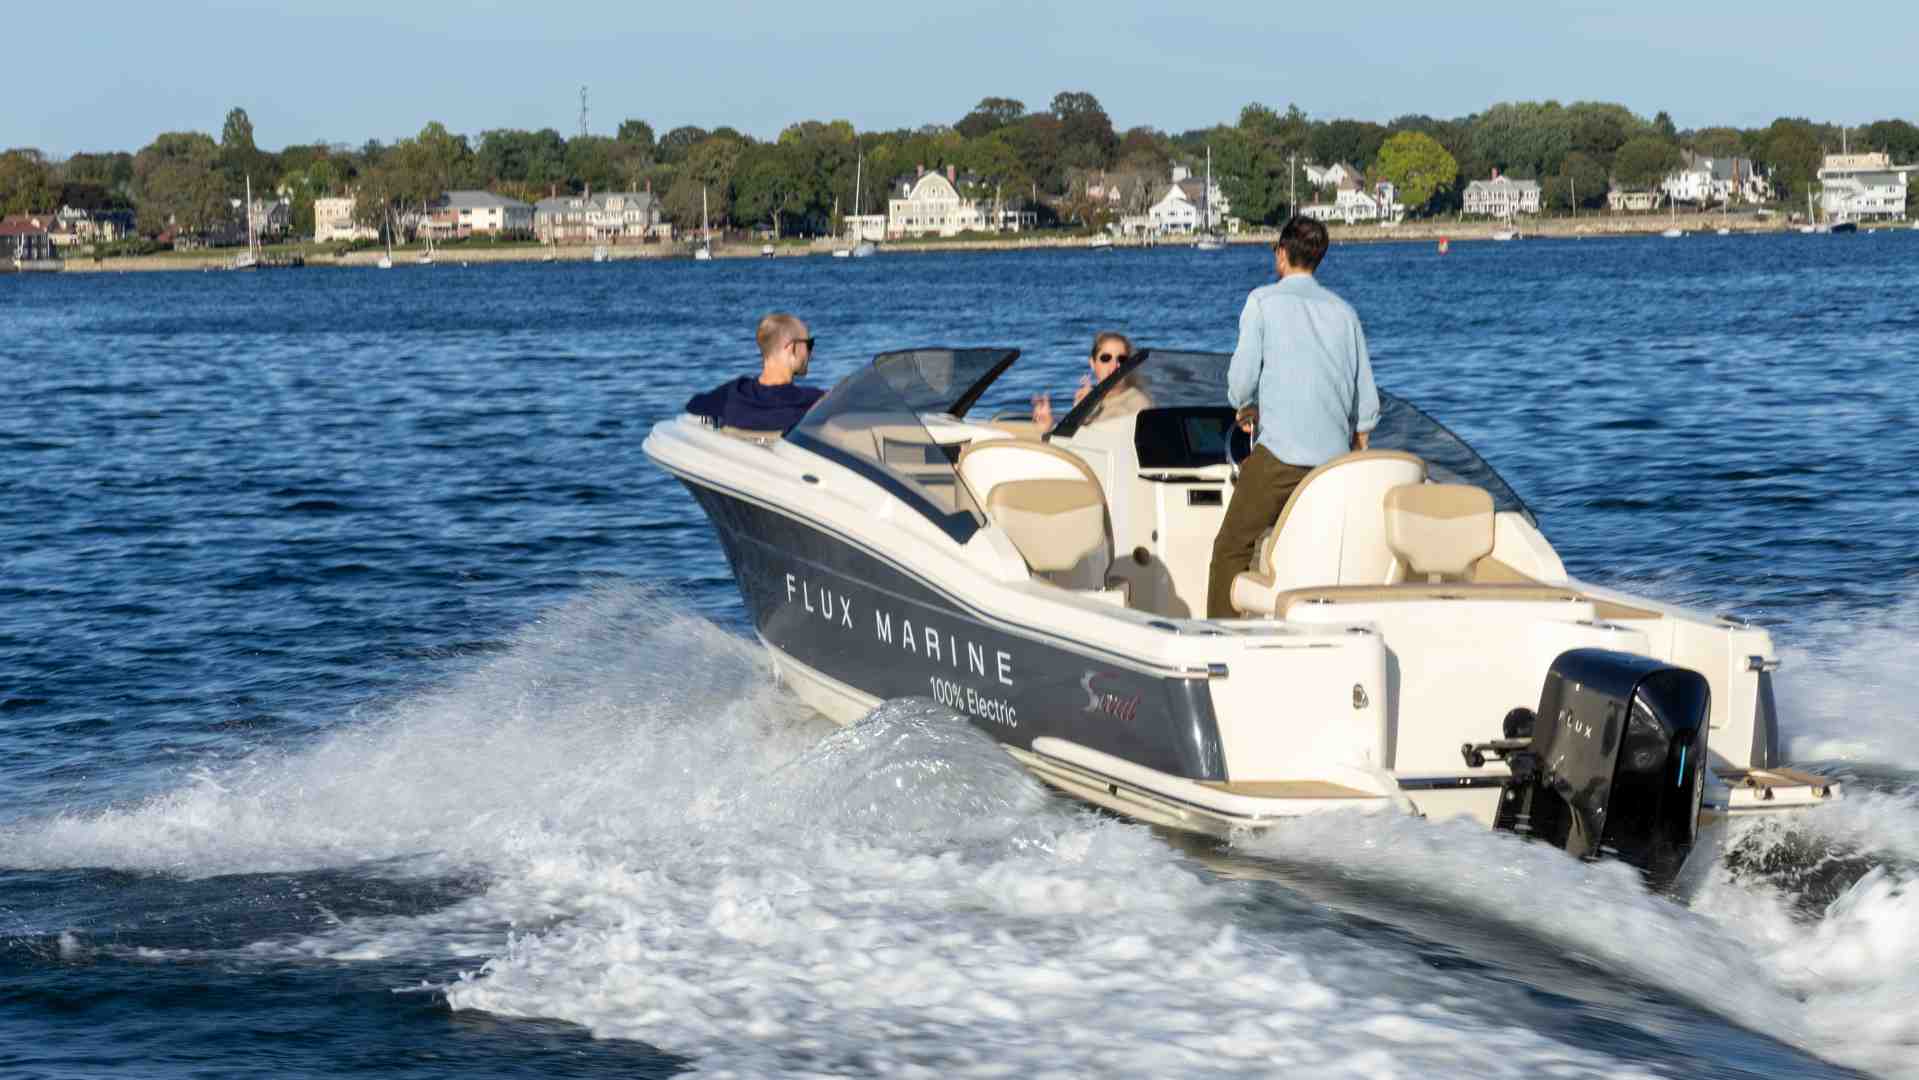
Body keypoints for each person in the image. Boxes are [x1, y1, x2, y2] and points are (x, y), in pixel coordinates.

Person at [1205, 217, 1380, 619]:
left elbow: (1241, 381)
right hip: (1333, 465)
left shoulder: (1262, 302)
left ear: (1281, 254)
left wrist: (1244, 405)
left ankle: (1221, 634)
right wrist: (1357, 441)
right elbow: (1366, 405)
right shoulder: (1344, 313)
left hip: (1281, 458)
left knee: (1231, 547)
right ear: (1318, 258)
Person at [685, 313, 826, 434]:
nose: (810, 353)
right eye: (809, 345)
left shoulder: (733, 393)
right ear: (791, 348)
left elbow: (693, 405)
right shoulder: (813, 401)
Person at [1031, 331, 1152, 430]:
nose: (1114, 365)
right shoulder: (1090, 399)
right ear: (1092, 363)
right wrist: (1048, 425)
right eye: (1106, 358)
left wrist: (1085, 413)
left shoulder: (1137, 403)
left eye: (1122, 359)